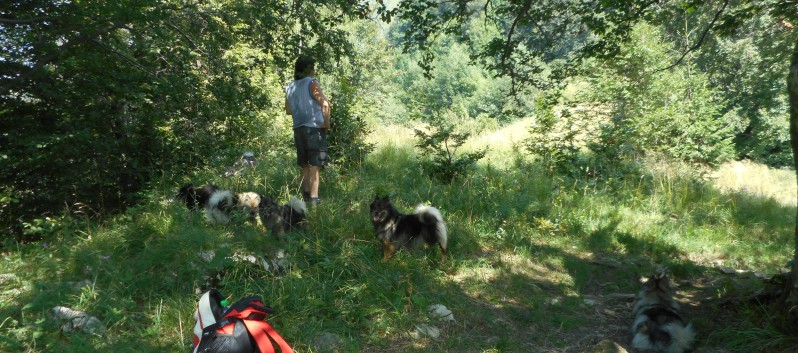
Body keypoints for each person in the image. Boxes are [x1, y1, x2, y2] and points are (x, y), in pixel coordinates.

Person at [285, 55, 331, 206]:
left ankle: (305, 197)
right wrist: (326, 123)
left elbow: (288, 110)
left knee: (304, 164)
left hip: (298, 128)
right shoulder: (312, 82)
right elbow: (325, 104)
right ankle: (314, 199)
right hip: (314, 128)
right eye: (312, 67)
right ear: (309, 69)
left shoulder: (290, 86)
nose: (314, 70)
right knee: (315, 165)